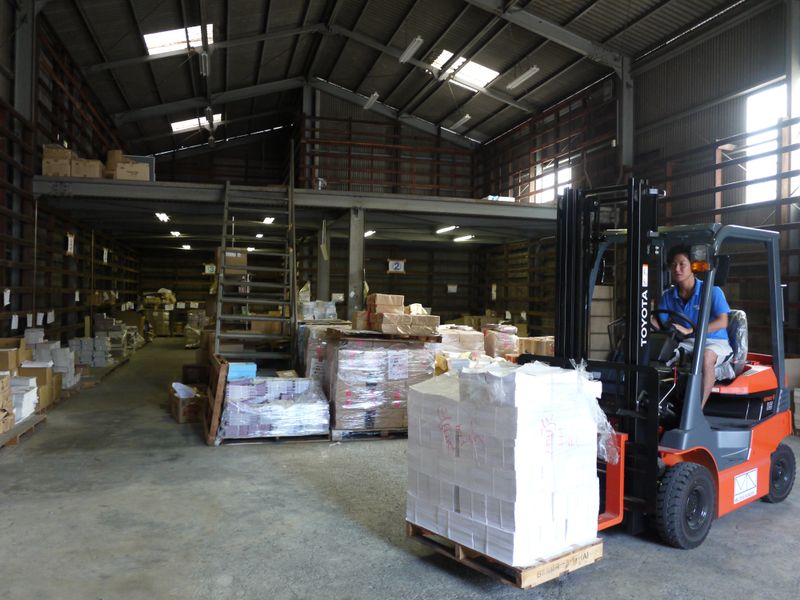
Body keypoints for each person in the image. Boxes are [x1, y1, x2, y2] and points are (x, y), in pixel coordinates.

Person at [657, 244, 733, 408]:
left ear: (693, 266)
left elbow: (722, 321)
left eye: (682, 264)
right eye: (673, 265)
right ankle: (661, 405)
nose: (677, 269)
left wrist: (692, 330)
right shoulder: (668, 296)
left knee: (705, 357)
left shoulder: (712, 290)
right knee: (657, 355)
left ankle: (696, 411)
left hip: (714, 342)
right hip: (687, 342)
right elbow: (661, 323)